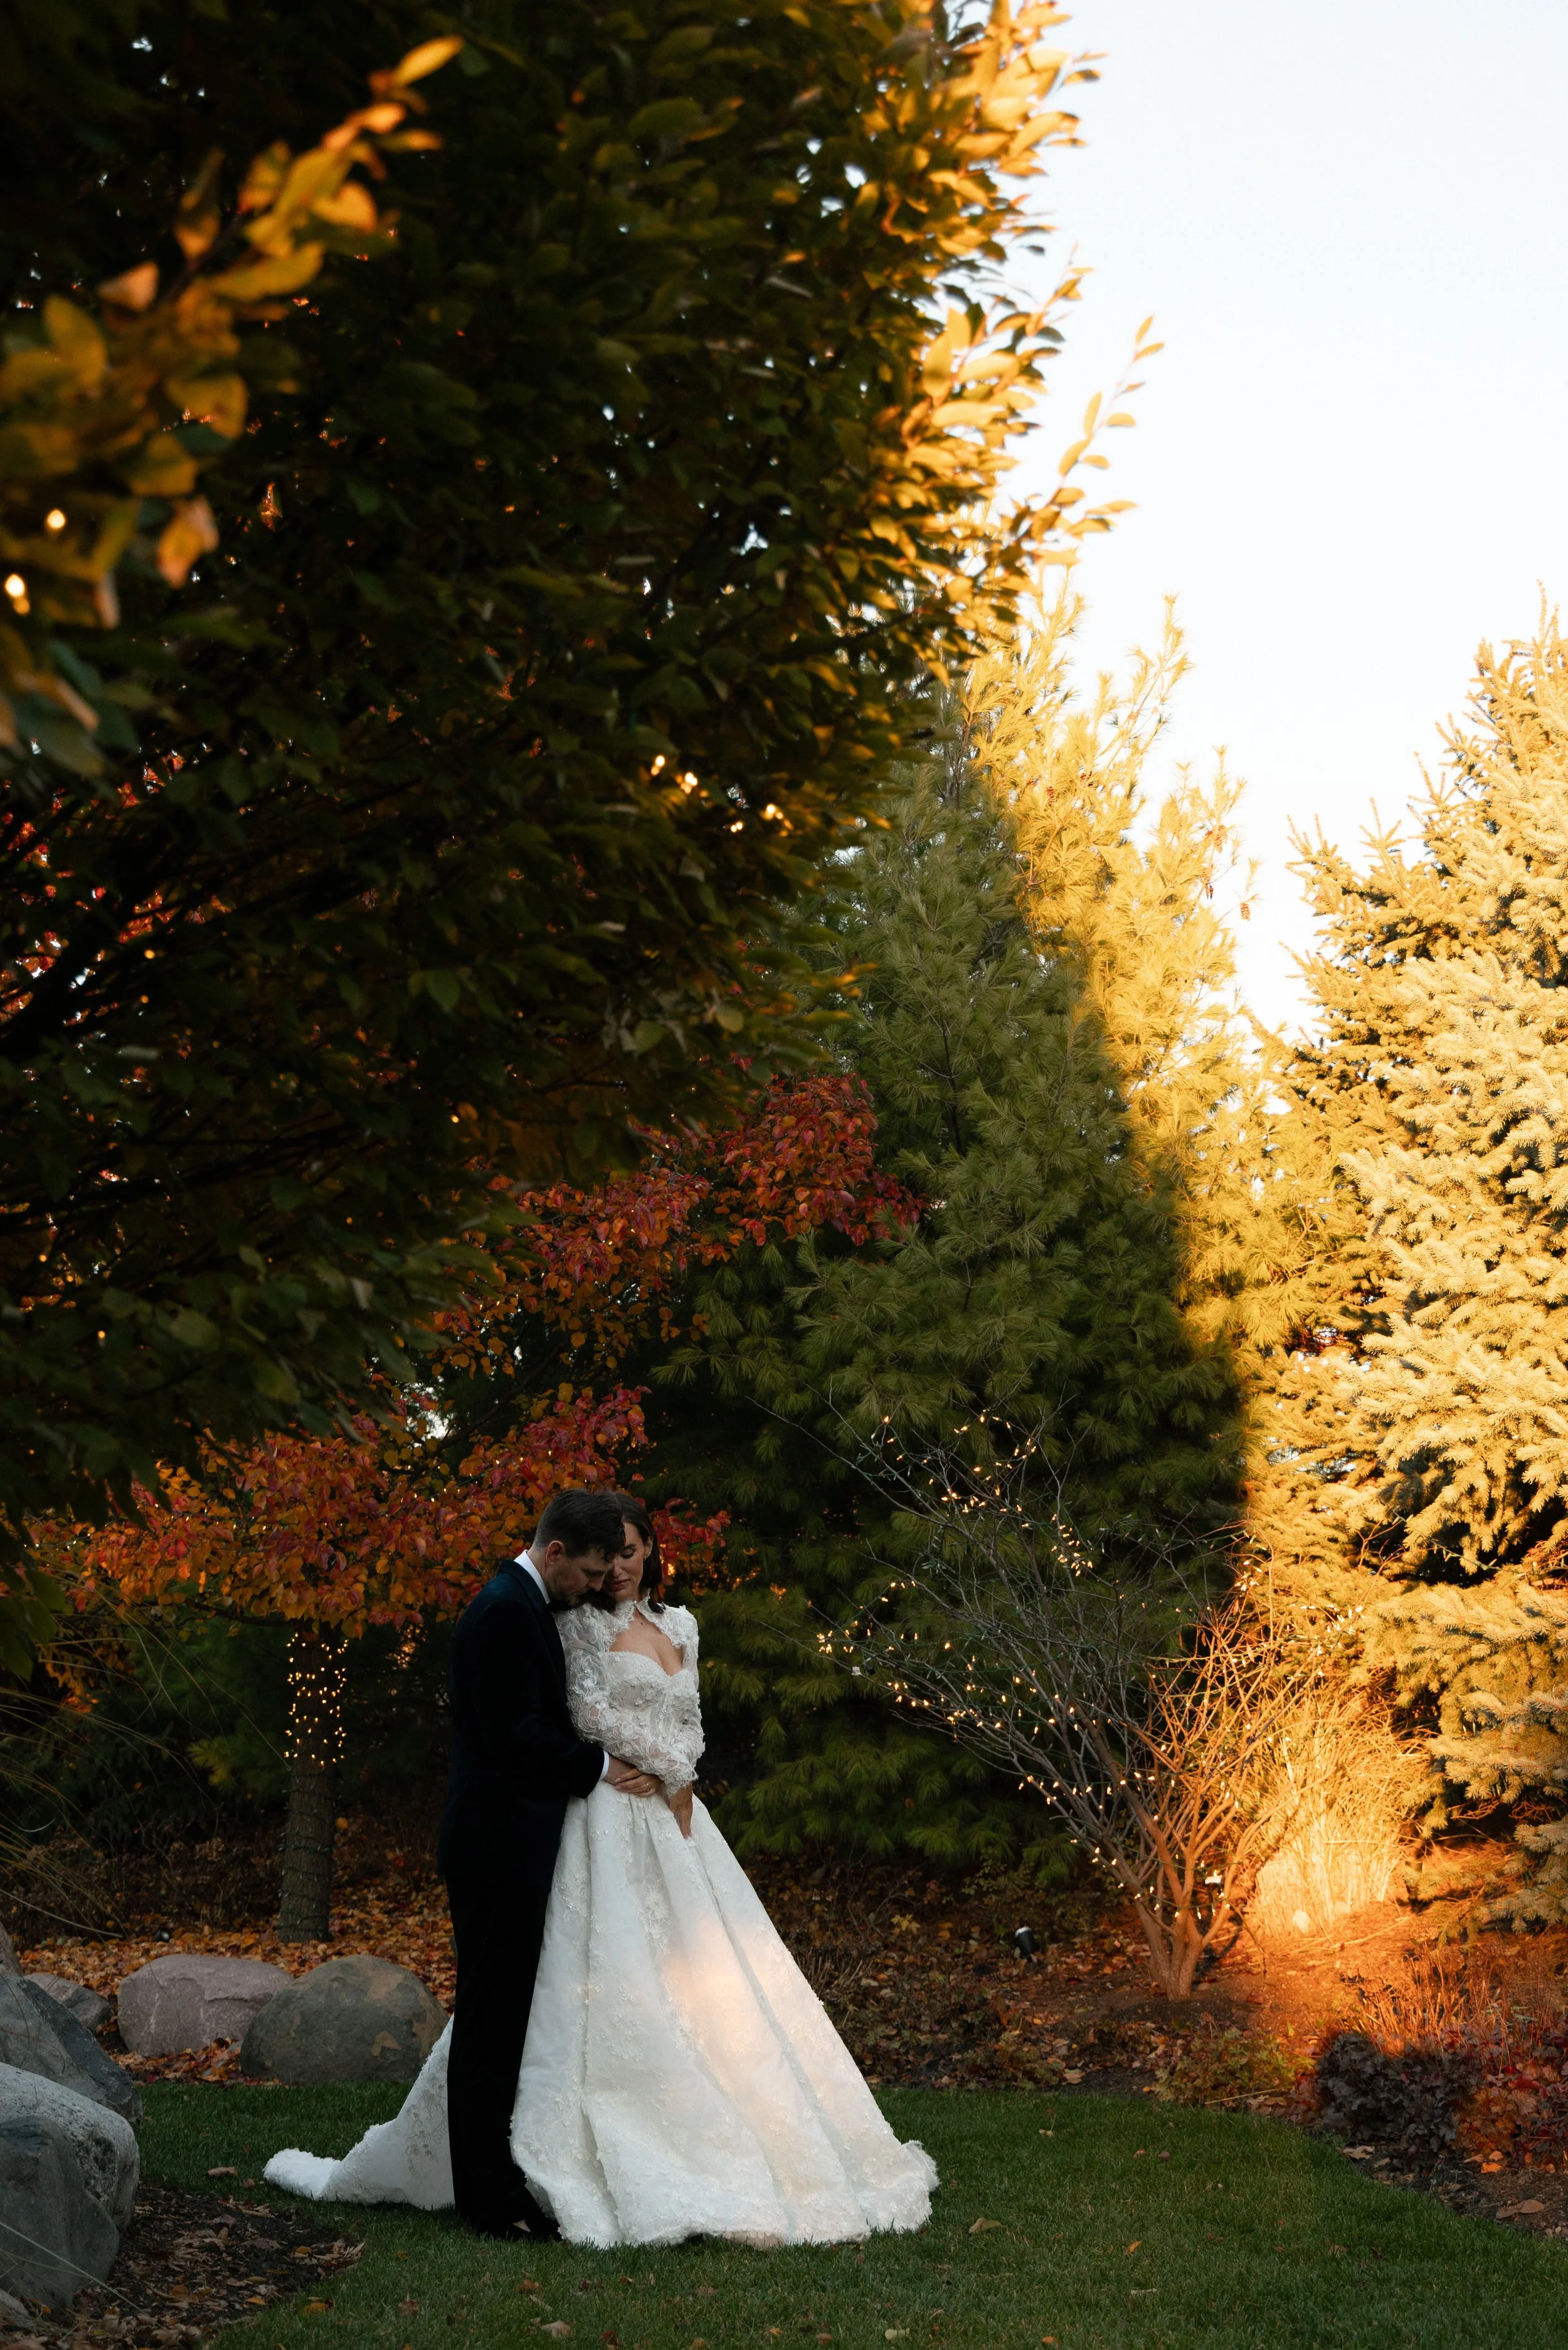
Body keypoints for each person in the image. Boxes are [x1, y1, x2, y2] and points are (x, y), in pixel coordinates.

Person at [264, 1493, 936, 2247]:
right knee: (500, 2017)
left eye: (621, 1556)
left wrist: (673, 1771)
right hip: (522, 1834)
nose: (601, 1577)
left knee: (548, 2007)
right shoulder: (513, 1613)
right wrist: (622, 1764)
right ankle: (492, 2189)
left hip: (623, 1819)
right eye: (591, 1565)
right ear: (556, 1554)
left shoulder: (604, 1613)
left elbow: (673, 1720)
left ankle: (505, 2179)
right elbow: (526, 1731)